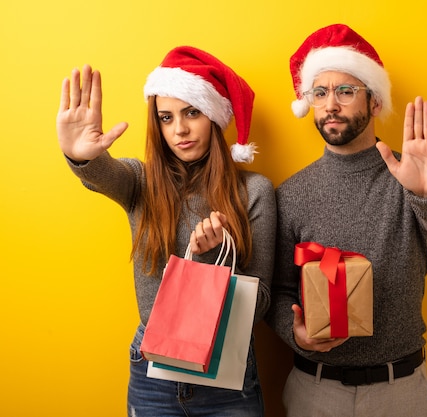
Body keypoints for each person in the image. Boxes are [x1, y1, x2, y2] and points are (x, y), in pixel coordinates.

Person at [56, 46, 276, 417]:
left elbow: (262, 304)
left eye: (192, 112)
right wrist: (82, 157)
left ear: (214, 116)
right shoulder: (140, 182)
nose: (180, 129)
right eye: (166, 117)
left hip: (226, 371)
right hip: (151, 371)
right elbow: (103, 173)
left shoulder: (254, 191)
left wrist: (212, 261)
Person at [265, 24, 427, 417]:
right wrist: (296, 334)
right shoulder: (290, 194)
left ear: (374, 103)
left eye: (345, 91)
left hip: (402, 389)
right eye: (320, 93)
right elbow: (277, 290)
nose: (330, 105)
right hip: (316, 389)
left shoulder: (410, 174)